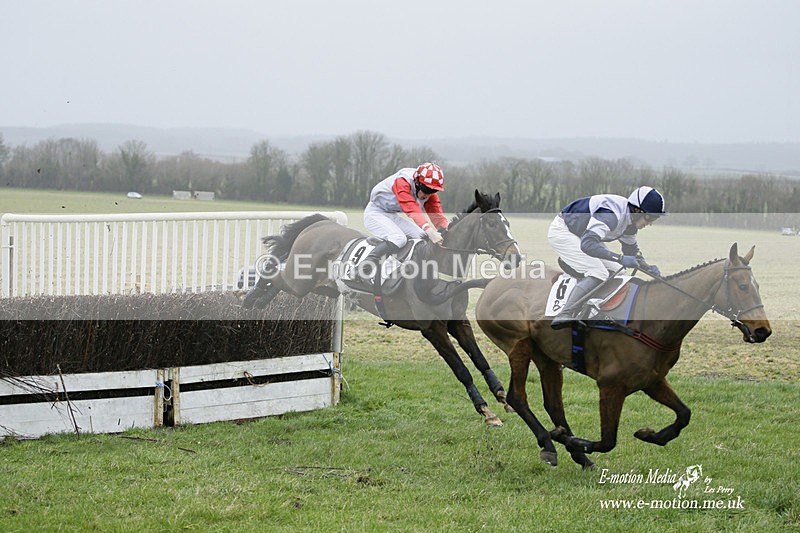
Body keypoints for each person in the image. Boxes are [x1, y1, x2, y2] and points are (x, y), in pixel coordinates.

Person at [548, 185, 666, 330]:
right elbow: (587, 245)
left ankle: (594, 310)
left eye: (655, 218)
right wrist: (619, 258)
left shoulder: (631, 224)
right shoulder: (610, 215)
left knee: (619, 271)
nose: (650, 223)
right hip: (564, 231)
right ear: (636, 210)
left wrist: (647, 267)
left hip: (584, 236)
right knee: (598, 272)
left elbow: (630, 250)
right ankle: (565, 312)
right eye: (649, 217)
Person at [359, 162, 449, 281]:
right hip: (374, 212)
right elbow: (411, 208)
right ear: (417, 182)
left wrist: (448, 230)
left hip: (390, 214)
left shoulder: (428, 192)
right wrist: (430, 231)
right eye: (426, 189)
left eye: (433, 191)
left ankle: (408, 270)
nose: (428, 194)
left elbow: (437, 216)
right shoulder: (402, 182)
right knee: (399, 238)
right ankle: (363, 269)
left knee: (421, 237)